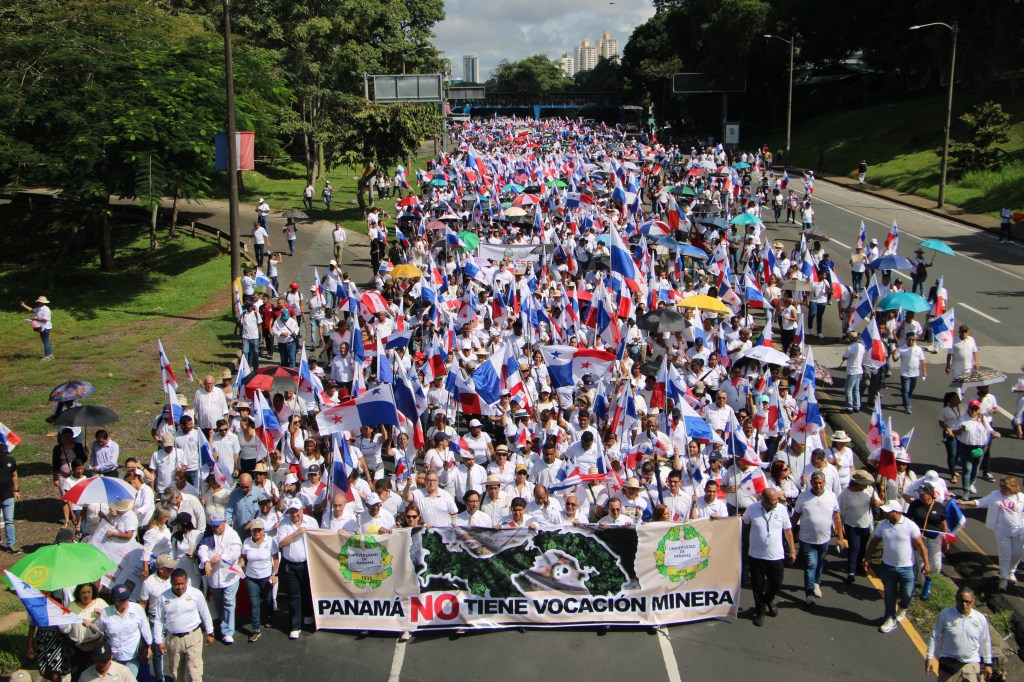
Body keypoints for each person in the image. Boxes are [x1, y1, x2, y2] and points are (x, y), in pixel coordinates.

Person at [864, 500, 930, 633]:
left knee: (907, 593)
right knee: (889, 594)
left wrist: (926, 563)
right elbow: (874, 542)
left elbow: (921, 545)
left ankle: (903, 607)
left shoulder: (910, 525)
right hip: (887, 567)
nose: (885, 513)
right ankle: (890, 617)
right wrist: (867, 559)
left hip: (906, 567)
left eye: (888, 511)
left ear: (896, 512)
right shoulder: (882, 525)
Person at [958, 476, 1024, 591]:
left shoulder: (1021, 497)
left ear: (1012, 487)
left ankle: (1011, 571)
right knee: (1005, 554)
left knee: (1017, 554)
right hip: (1002, 531)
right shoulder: (995, 495)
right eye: (1001, 485)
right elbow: (980, 502)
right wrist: (964, 502)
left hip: (1018, 531)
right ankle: (1003, 578)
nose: (1001, 488)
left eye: (1004, 486)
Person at [742, 489, 796, 627]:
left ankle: (768, 599)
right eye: (772, 501)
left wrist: (792, 550)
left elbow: (788, 530)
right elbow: (744, 523)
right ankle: (760, 612)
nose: (776, 502)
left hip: (776, 555)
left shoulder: (782, 509)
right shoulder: (752, 508)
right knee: (757, 586)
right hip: (756, 555)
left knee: (777, 582)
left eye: (776, 499)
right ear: (763, 501)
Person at [792, 471, 846, 606]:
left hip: (824, 539)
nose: (818, 485)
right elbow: (795, 517)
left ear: (824, 483)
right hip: (807, 539)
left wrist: (840, 537)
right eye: (815, 483)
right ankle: (809, 593)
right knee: (811, 565)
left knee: (820, 562)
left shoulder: (831, 496)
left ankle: (816, 583)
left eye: (820, 483)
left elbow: (837, 518)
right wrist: (789, 535)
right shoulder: (803, 497)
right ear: (811, 483)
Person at [152, 568, 215, 681]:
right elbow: (158, 620)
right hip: (173, 639)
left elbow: (205, 614)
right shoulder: (163, 597)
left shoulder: (196, 594)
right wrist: (158, 641)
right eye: (177, 584)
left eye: (182, 583)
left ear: (186, 581)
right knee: (177, 673)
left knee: (194, 673)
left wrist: (210, 633)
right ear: (171, 582)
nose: (180, 587)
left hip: (193, 637)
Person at [925, 586, 993, 681]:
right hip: (949, 663)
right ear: (956, 599)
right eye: (961, 601)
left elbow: (985, 642)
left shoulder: (980, 619)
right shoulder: (945, 614)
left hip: (970, 664)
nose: (964, 604)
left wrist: (988, 663)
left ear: (973, 601)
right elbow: (934, 636)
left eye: (967, 602)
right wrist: (929, 657)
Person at [277, 499, 319, 639]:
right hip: (290, 565)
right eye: (291, 512)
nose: (294, 514)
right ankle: (295, 626)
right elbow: (282, 543)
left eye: (296, 511)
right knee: (293, 596)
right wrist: (297, 533)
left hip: (307, 563)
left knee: (308, 592)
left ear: (301, 510)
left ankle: (308, 615)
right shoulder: (284, 524)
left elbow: (318, 539)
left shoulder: (311, 522)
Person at [88, 584, 152, 677]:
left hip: (132, 656)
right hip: (114, 656)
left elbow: (145, 629)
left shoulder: (137, 608)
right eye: (122, 599)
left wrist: (149, 646)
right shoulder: (106, 612)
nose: (126, 601)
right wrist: (90, 625)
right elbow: (99, 629)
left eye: (127, 598)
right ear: (114, 599)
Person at [197, 515, 242, 645]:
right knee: (219, 602)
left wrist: (220, 557)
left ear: (224, 522)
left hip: (229, 576)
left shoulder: (232, 535)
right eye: (214, 526)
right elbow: (202, 549)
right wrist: (206, 561)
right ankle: (223, 623)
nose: (216, 528)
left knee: (229, 602)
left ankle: (228, 632)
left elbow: (235, 553)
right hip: (214, 577)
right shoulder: (208, 535)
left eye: (218, 525)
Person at [239, 518, 279, 642]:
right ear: (251, 531)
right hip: (251, 578)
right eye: (254, 530)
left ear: (263, 530)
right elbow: (243, 558)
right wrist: (239, 565)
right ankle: (255, 629)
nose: (256, 532)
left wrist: (274, 574)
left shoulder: (270, 541)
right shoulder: (246, 542)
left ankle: (269, 616)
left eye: (259, 530)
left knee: (268, 600)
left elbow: (276, 558)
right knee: (254, 603)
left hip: (266, 577)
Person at [906, 482, 947, 600]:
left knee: (936, 566)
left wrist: (946, 541)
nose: (920, 496)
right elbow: (908, 521)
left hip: (935, 539)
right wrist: (911, 539)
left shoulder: (939, 507)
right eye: (919, 493)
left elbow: (943, 524)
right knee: (921, 562)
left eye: (923, 494)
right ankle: (925, 588)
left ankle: (924, 576)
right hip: (919, 538)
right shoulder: (914, 505)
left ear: (931, 494)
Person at [839, 470, 881, 584]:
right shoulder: (846, 493)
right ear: (857, 483)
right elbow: (840, 511)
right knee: (854, 547)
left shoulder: (870, 490)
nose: (867, 485)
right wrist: (840, 528)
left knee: (862, 547)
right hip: (851, 524)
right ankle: (851, 571)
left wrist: (875, 502)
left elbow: (879, 502)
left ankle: (858, 565)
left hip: (865, 524)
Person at [891, 331, 926, 414]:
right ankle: (907, 405)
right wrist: (893, 353)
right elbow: (895, 359)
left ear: (915, 340)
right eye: (909, 339)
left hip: (915, 373)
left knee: (911, 389)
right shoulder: (901, 349)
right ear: (906, 339)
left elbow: (922, 361)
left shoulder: (918, 349)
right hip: (905, 373)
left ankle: (906, 400)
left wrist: (924, 372)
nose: (911, 341)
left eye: (912, 339)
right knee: (905, 389)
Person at [0, 444, 20, 554]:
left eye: (4, 454)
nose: (3, 457)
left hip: (8, 496)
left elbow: (14, 475)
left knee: (9, 520)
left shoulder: (10, 461)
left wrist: (16, 490)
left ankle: (11, 544)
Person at [20, 294, 53, 360]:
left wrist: (36, 318)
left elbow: (45, 320)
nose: (38, 303)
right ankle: (49, 355)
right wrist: (24, 305)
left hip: (46, 327)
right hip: (41, 326)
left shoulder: (46, 309)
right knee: (45, 341)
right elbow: (32, 310)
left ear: (42, 302)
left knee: (46, 341)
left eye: (39, 302)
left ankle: (47, 356)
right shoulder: (39, 308)